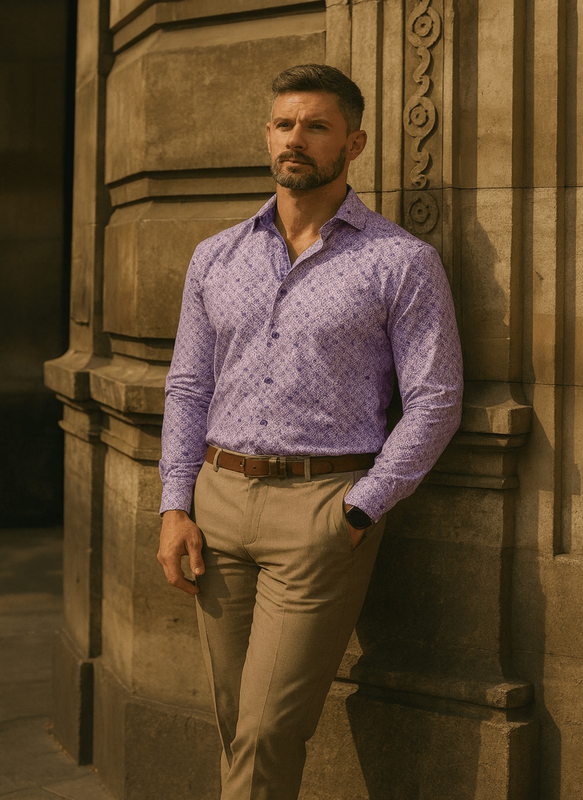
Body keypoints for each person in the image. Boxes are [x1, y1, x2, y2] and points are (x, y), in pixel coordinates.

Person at [157, 63, 463, 800]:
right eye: (285, 123)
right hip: (217, 501)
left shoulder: (400, 261)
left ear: (351, 143)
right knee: (239, 723)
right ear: (268, 134)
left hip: (322, 508)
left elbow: (437, 398)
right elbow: (188, 386)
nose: (297, 139)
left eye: (317, 126)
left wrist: (359, 509)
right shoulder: (216, 255)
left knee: (267, 728)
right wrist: (174, 504)